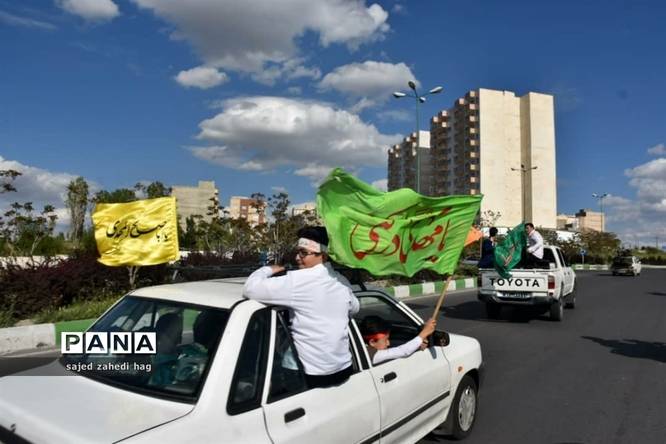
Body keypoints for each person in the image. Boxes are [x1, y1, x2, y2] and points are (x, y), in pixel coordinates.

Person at [243, 226, 360, 389]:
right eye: (298, 252)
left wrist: (268, 269)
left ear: (323, 255)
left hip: (309, 375)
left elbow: (250, 288)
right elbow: (355, 308)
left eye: (304, 253)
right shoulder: (341, 281)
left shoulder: (297, 281)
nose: (297, 257)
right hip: (344, 369)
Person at [361, 316, 437, 365]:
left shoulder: (361, 347)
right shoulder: (373, 355)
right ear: (372, 342)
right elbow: (403, 351)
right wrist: (424, 333)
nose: (388, 343)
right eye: (385, 340)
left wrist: (421, 342)